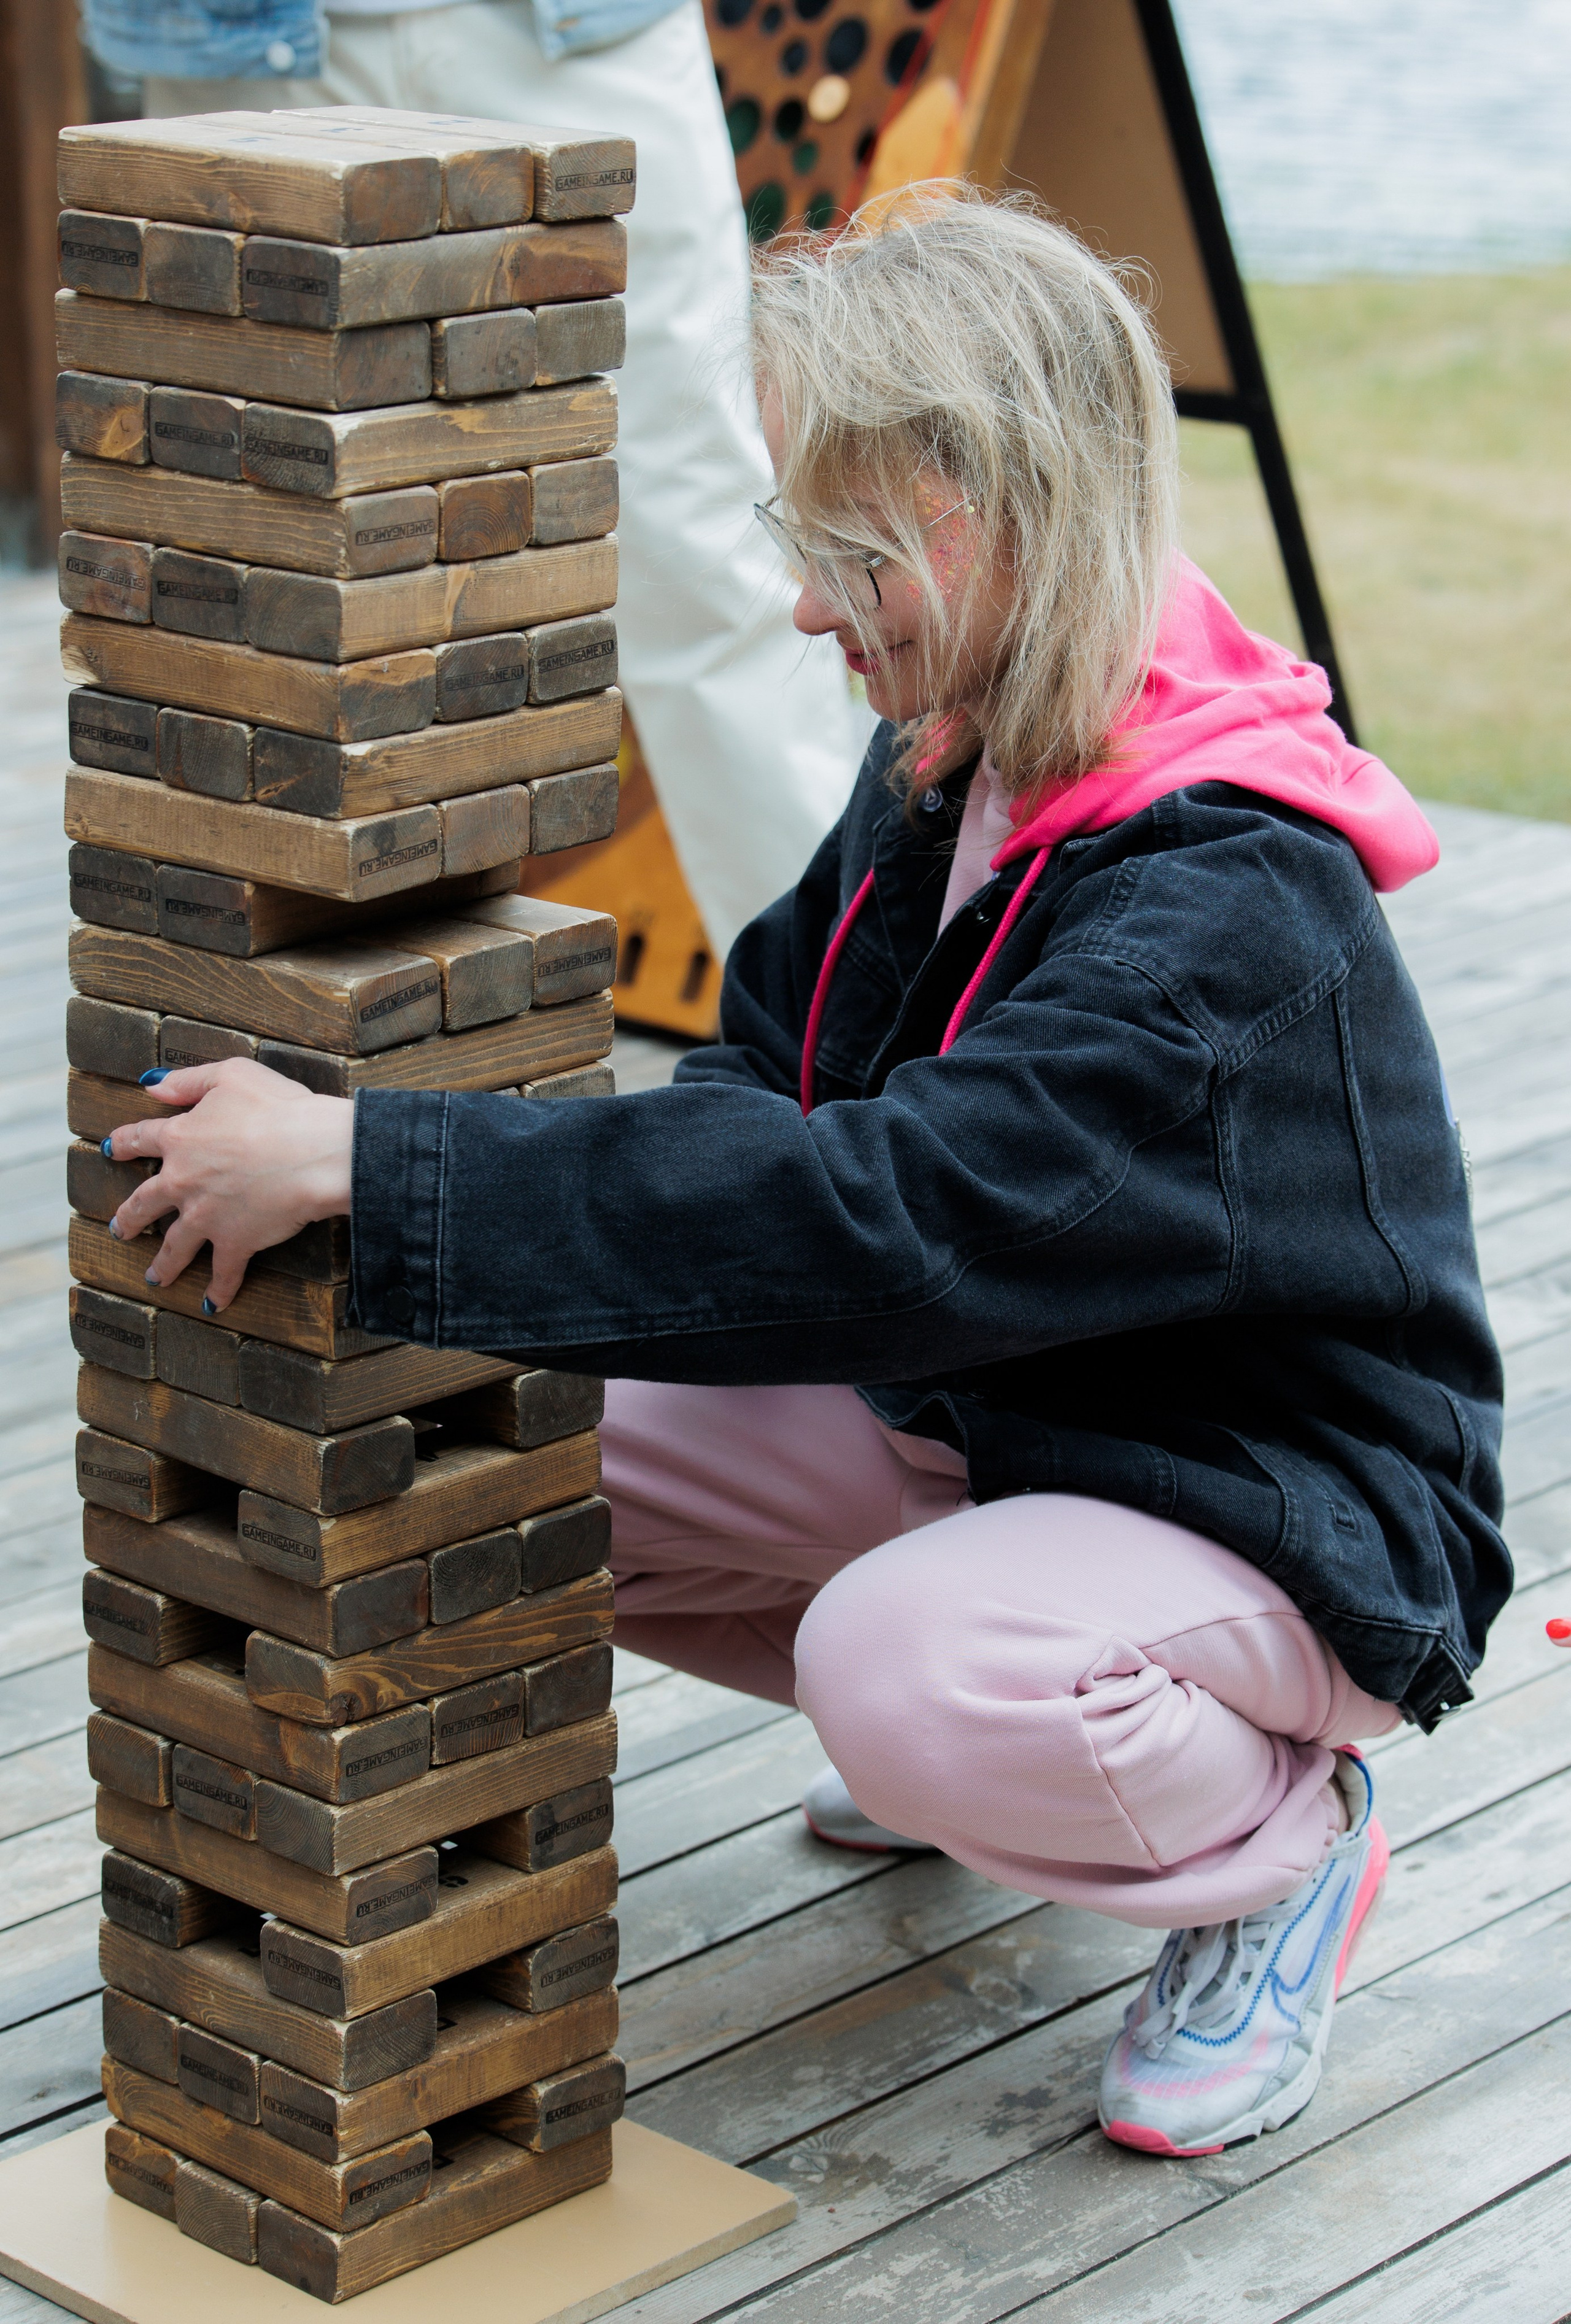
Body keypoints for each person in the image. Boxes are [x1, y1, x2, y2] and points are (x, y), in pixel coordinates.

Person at [101, 191, 1510, 2159]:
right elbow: (766, 1080)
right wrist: (424, 1188)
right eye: (801, 537)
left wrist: (366, 1156)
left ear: (1010, 511)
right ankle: (995, 1728)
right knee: (516, 1445)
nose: (802, 609)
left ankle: (1273, 1849)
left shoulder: (1221, 906)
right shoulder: (957, 756)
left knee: (897, 1667)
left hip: (1266, 1500)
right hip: (1004, 1407)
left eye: (850, 551)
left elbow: (883, 1215)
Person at [80, 0, 870, 959]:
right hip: (241, 43)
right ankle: (271, 1066)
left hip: (579, 33)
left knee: (711, 560)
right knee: (253, 593)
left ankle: (851, 1048)